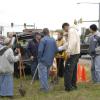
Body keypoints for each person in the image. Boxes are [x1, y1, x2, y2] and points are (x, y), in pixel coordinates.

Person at [59, 23, 80, 91]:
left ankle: (68, 87)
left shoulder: (71, 31)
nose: (65, 31)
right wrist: (59, 48)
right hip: (76, 53)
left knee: (67, 71)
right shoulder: (74, 31)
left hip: (72, 54)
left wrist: (68, 52)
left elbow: (73, 42)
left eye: (64, 29)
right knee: (73, 70)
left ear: (65, 27)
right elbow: (68, 44)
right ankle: (73, 85)